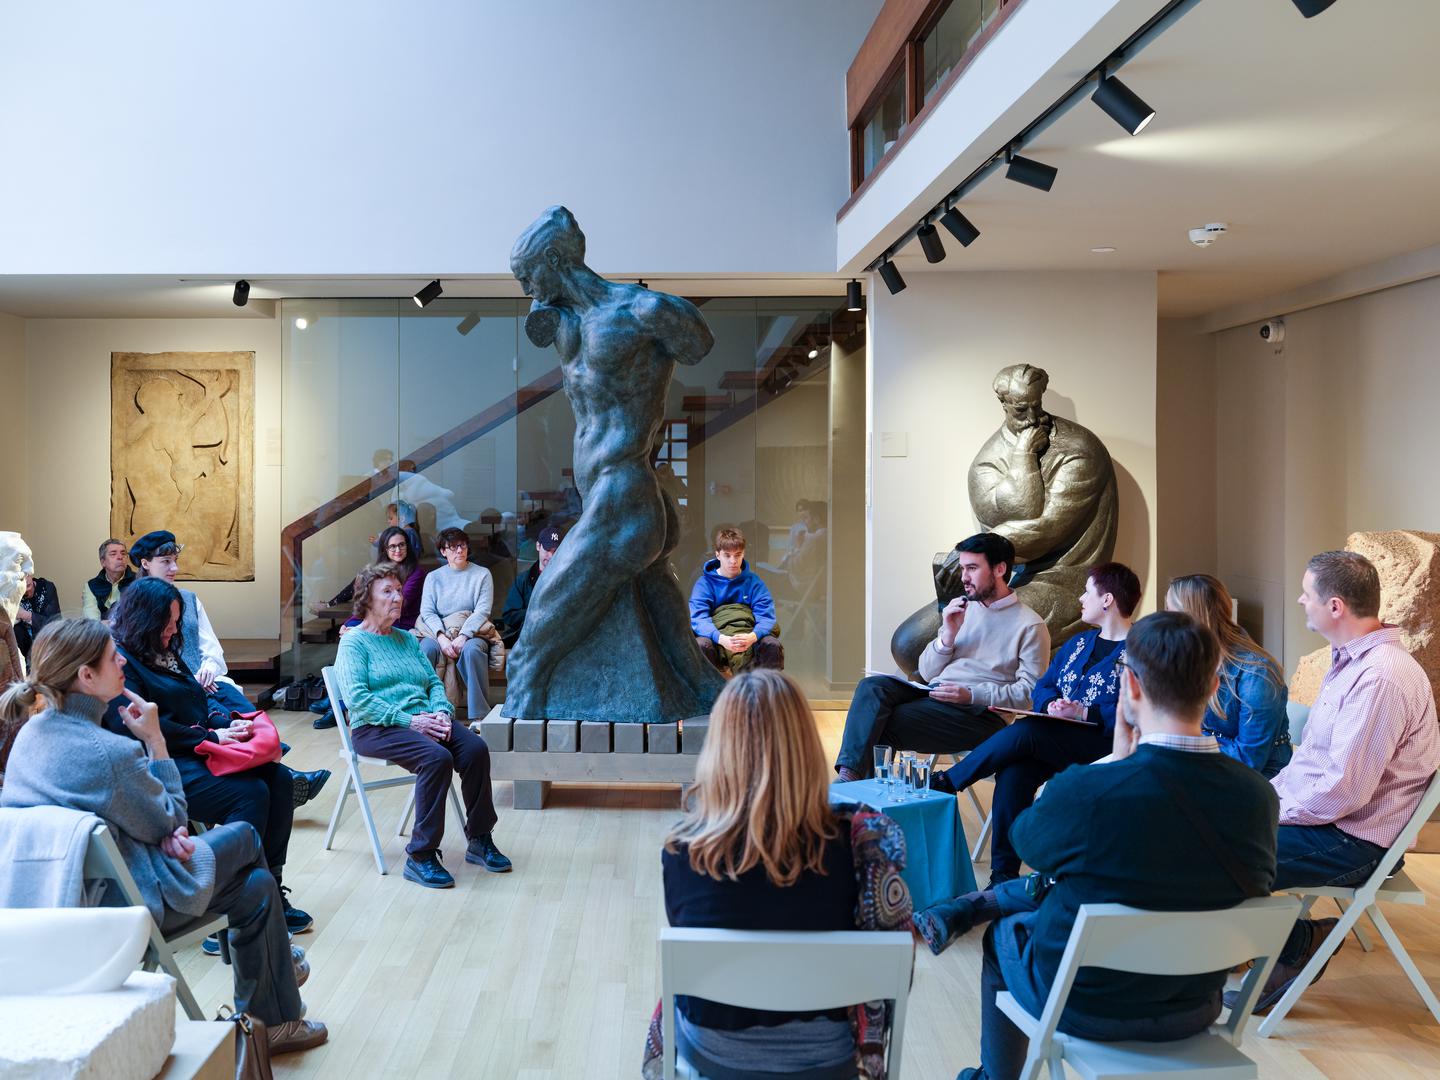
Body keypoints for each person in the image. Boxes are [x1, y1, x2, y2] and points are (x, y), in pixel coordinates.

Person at [940, 612, 1278, 1080]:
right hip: (1193, 1004)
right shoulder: (1259, 797)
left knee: (1003, 937)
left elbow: (1026, 842)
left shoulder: (1090, 788)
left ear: (1130, 685)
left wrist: (1116, 761)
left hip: (1085, 1004)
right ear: (1215, 686)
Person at [0, 619, 327, 1054]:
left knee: (256, 887)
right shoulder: (111, 753)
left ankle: (278, 1015)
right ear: (86, 676)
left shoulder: (29, 736)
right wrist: (155, 741)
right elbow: (174, 819)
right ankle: (278, 995)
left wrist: (157, 832)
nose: (122, 662)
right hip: (131, 905)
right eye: (112, 657)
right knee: (247, 836)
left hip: (57, 902)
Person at [650, 669, 912, 1079]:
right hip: (828, 1061)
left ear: (719, 749)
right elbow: (893, 978)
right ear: (805, 745)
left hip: (714, 1055)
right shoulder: (858, 844)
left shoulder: (682, 851)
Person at [1229, 550, 1440, 1013]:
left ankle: (1295, 944)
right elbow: (1313, 767)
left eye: (1307, 593)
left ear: (1336, 606)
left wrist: (1267, 810)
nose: (1300, 601)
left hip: (1354, 841)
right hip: (1335, 823)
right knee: (1206, 834)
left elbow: (1344, 790)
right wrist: (1261, 800)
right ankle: (1286, 944)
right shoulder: (1350, 663)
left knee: (1215, 855)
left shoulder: (1380, 677)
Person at [102, 578, 315, 935]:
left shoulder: (162, 650)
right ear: (144, 620)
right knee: (249, 793)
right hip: (159, 763)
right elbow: (145, 725)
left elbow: (194, 701)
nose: (174, 629)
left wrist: (225, 722)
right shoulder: (124, 661)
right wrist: (211, 735)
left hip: (195, 750)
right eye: (167, 621)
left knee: (279, 779)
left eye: (176, 620)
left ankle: (270, 887)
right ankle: (229, 905)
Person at [931, 562, 1140, 886]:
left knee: (1027, 732)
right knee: (1015, 770)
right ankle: (1002, 877)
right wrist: (1051, 704)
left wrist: (1084, 713)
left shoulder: (1141, 650)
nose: (1081, 598)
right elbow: (1043, 685)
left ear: (1107, 599)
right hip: (1057, 740)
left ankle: (947, 781)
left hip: (1106, 745)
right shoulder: (1079, 643)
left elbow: (1142, 708)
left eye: (1087, 592)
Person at [335, 562, 510, 889]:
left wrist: (442, 711)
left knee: (475, 749)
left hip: (424, 719)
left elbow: (431, 682)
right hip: (376, 727)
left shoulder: (405, 638)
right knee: (436, 758)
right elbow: (358, 700)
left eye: (399, 591)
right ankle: (421, 855)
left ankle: (480, 838)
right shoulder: (354, 643)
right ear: (366, 599)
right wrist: (411, 721)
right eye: (387, 591)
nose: (397, 597)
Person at [130, 530, 330, 808]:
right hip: (175, 693)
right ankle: (284, 777)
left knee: (245, 715)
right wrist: (188, 682)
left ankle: (277, 771)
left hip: (207, 681)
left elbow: (211, 647)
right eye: (166, 561)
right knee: (223, 718)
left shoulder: (189, 599)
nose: (174, 568)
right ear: (145, 563)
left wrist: (208, 668)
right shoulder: (134, 605)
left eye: (175, 560)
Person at [835, 533, 1050, 781]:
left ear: (999, 569)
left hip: (980, 716)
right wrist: (947, 635)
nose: (963, 577)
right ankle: (850, 780)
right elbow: (926, 672)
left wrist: (971, 695)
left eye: (972, 568)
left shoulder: (1030, 625)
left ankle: (852, 790)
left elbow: (1031, 694)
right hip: (934, 696)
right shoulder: (962, 610)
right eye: (963, 568)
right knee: (872, 687)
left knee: (879, 723)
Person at [1164, 574, 1291, 777]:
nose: (1164, 621)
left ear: (1192, 617)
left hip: (1258, 779)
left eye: (1170, 612)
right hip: (1205, 765)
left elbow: (1249, 759)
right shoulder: (1188, 659)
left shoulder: (1257, 673)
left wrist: (1186, 746)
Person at [418, 528, 504, 719]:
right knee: (427, 649)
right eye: (453, 547)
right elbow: (427, 612)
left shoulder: (482, 574)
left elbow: (482, 611)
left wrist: (464, 636)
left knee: (472, 651)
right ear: (443, 551)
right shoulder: (433, 577)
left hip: (473, 632)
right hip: (439, 632)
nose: (459, 550)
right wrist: (441, 637)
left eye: (462, 545)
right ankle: (425, 710)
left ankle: (479, 715)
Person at [689, 527, 783, 675]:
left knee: (772, 645)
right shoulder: (704, 584)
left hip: (749, 638)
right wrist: (721, 639)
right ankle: (713, 688)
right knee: (701, 645)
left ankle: (765, 688)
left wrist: (752, 637)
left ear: (743, 554)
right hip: (718, 640)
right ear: (717, 554)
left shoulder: (754, 582)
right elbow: (698, 619)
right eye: (727, 555)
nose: (733, 561)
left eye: (737, 555)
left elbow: (767, 617)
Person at [502, 524, 562, 649]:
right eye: (547, 550)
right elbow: (509, 615)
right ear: (538, 546)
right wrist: (536, 613)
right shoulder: (523, 580)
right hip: (529, 643)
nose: (551, 556)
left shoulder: (566, 579)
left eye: (556, 551)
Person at [82, 537, 135, 621]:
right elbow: (92, 620)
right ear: (103, 562)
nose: (120, 557)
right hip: (100, 629)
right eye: (113, 554)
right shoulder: (91, 586)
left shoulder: (139, 581)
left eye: (123, 553)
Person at [14, 570, 61, 661]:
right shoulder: (12, 596)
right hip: (23, 649)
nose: (25, 580)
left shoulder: (46, 588)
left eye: (27, 575)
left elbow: (55, 624)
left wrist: (26, 615)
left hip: (47, 646)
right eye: (20, 579)